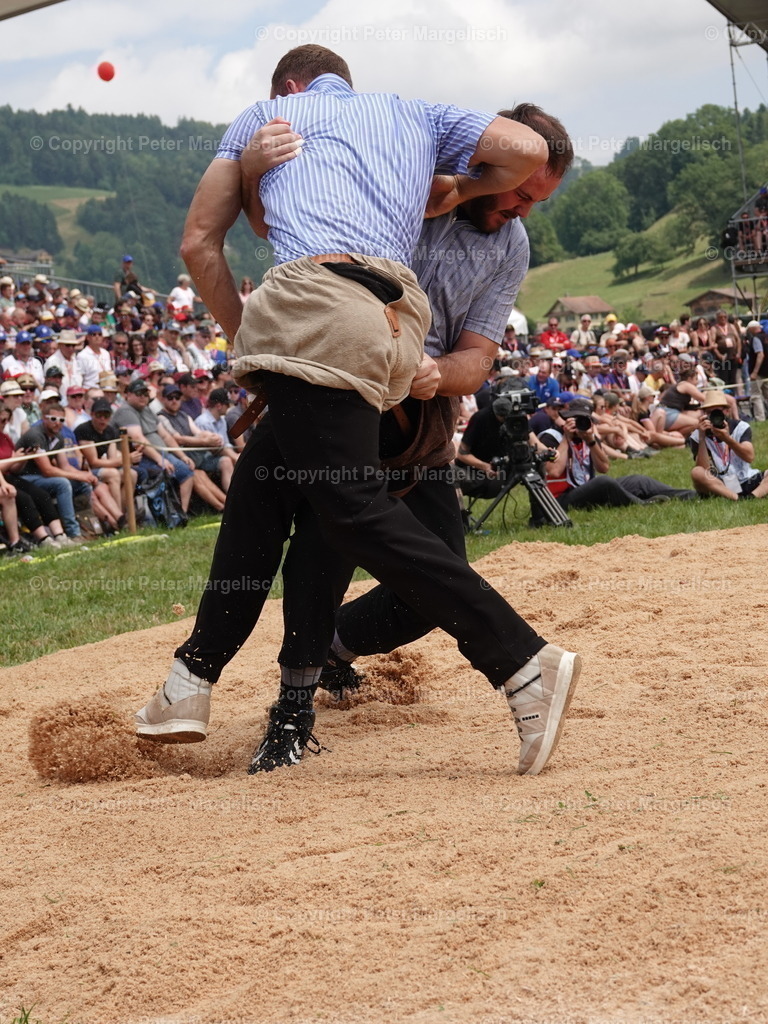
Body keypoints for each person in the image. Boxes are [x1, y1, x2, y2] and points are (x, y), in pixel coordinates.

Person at [133, 46, 581, 779]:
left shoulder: (502, 240)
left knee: (348, 525)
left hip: (393, 381)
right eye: (516, 191)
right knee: (276, 504)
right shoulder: (407, 148)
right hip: (346, 355)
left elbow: (478, 355)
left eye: (529, 200)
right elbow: (292, 219)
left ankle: (515, 660)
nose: (515, 206)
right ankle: (225, 691)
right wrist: (255, 170)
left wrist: (433, 375)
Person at [15, 402, 95, 542]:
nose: (58, 423)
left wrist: (84, 476)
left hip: (41, 477)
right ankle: (73, 533)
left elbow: (64, 466)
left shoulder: (59, 437)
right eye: (53, 419)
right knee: (62, 484)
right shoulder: (35, 435)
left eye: (61, 420)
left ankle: (88, 528)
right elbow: (47, 470)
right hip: (25, 477)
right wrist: (77, 475)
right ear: (44, 418)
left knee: (83, 484)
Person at [689, 390, 768, 500]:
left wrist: (727, 438)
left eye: (717, 411)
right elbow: (704, 468)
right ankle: (736, 498)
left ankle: (752, 497)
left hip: (746, 478)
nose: (714, 416)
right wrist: (702, 438)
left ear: (726, 411)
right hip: (720, 484)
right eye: (709, 412)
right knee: (696, 472)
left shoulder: (741, 427)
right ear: (704, 414)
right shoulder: (697, 435)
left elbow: (749, 457)